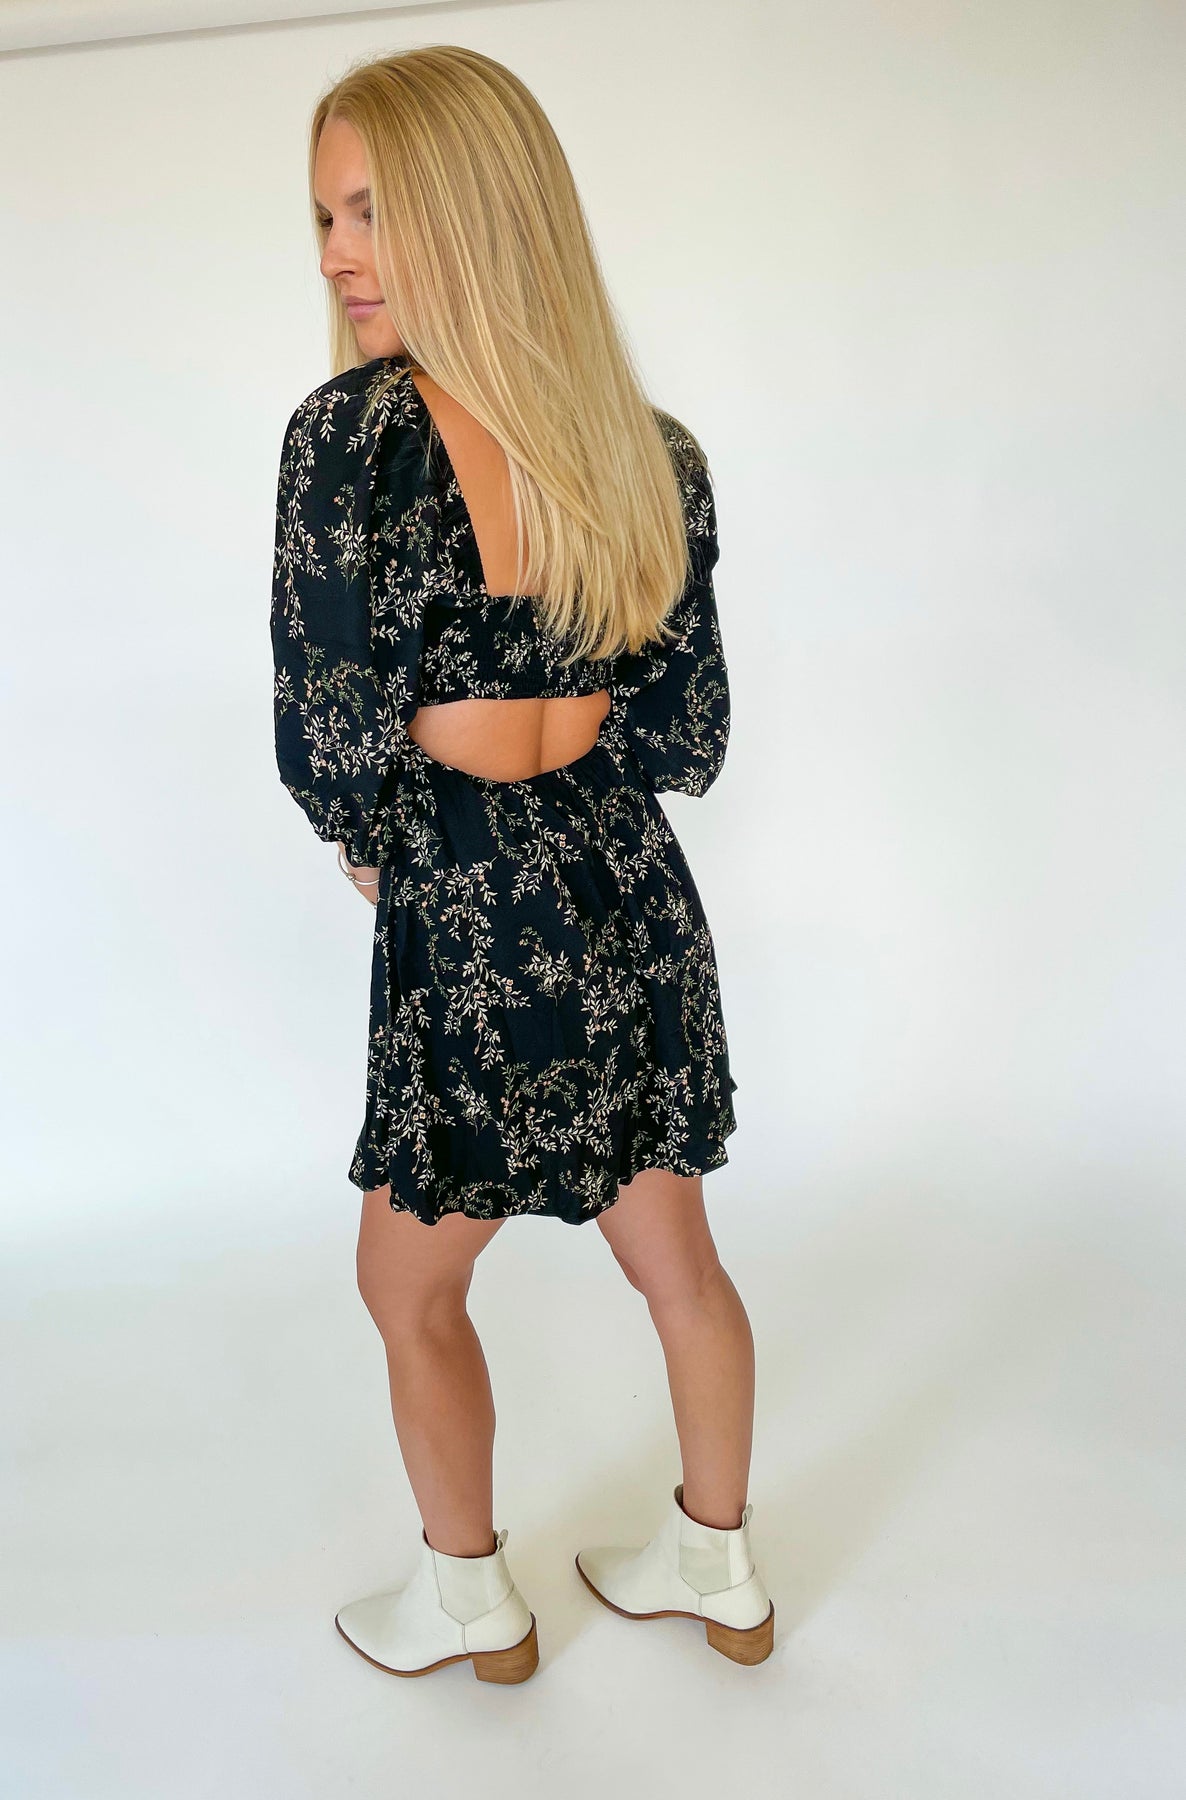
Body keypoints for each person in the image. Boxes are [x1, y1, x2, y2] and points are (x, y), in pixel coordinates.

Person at [269, 44, 773, 1682]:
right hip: (624, 882)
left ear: (474, 215)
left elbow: (330, 714)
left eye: (369, 211)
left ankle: (468, 1597)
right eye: (324, 218)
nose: (336, 254)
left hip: (472, 892)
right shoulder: (649, 448)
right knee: (678, 1266)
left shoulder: (352, 435)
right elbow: (682, 726)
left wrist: (371, 840)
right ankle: (717, 1565)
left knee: (406, 1287)